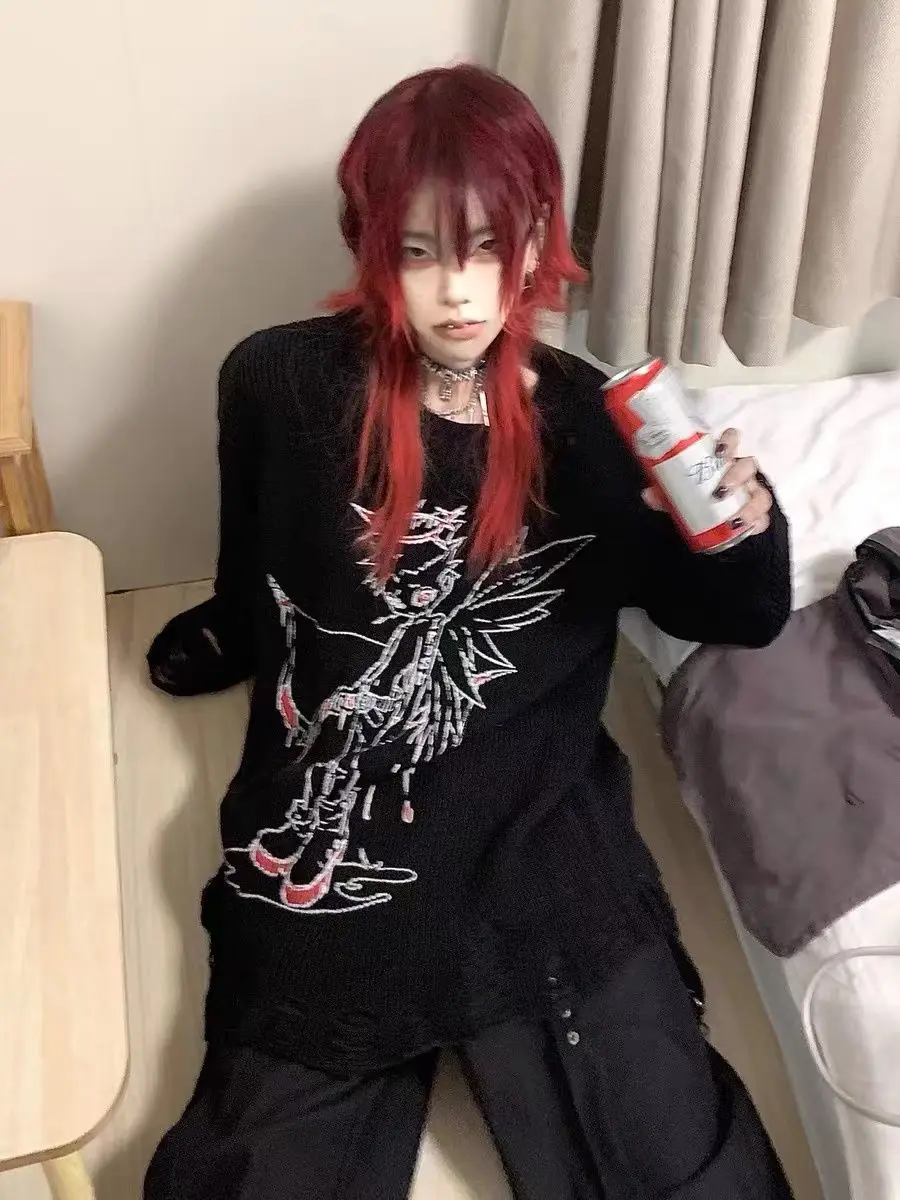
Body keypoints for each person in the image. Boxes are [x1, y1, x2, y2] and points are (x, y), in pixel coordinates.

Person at [143, 64, 794, 1200]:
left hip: (538, 823)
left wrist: (741, 528)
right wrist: (232, 634)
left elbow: (736, 617)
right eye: (418, 252)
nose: (457, 291)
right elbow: (259, 559)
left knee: (667, 1155)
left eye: (488, 247)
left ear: (536, 238)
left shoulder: (595, 425)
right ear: (369, 246)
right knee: (259, 1161)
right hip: (347, 809)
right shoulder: (278, 384)